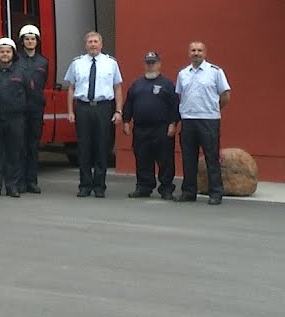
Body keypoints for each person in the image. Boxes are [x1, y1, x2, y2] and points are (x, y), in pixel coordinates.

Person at [64, 31, 123, 198]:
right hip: (83, 108)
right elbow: (71, 88)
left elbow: (117, 87)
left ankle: (99, 186)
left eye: (96, 41)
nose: (93, 44)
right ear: (85, 45)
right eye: (90, 42)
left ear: (101, 44)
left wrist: (118, 110)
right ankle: (85, 185)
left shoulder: (111, 63)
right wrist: (70, 111)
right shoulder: (77, 63)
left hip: (104, 107)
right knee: (84, 147)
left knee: (102, 146)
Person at [176, 41, 231, 205]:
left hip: (209, 120)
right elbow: (181, 95)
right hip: (188, 120)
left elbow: (225, 96)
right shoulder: (183, 74)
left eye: (199, 50)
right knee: (188, 158)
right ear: (189, 53)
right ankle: (188, 192)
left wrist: (213, 109)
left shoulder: (215, 72)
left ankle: (216, 193)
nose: (196, 53)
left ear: (205, 53)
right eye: (193, 50)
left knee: (211, 157)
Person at [121, 51, 179, 199]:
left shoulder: (167, 84)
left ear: (159, 64)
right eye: (148, 63)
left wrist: (173, 124)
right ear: (144, 65)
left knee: (165, 160)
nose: (150, 65)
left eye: (153, 63)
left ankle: (166, 189)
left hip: (162, 128)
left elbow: (174, 105)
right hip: (141, 129)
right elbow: (129, 104)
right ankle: (144, 187)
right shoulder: (136, 84)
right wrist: (126, 121)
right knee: (142, 159)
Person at [0, 38, 31, 197]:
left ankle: (12, 186)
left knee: (14, 153)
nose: (5, 54)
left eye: (8, 51)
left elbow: (29, 94)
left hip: (15, 119)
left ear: (13, 54)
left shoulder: (21, 72)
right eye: (2, 51)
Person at [15, 25, 50, 194]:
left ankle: (32, 181)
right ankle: (20, 181)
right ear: (22, 42)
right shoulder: (16, 60)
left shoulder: (43, 62)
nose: (30, 41)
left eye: (33, 39)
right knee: (20, 146)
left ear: (37, 41)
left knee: (33, 146)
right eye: (27, 39)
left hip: (36, 108)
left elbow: (43, 83)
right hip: (19, 108)